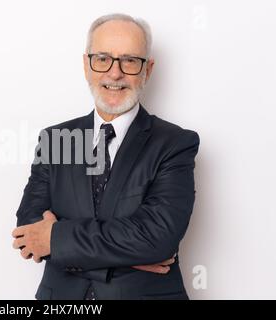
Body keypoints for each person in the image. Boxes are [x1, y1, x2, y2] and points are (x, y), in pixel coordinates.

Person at [12, 13, 200, 300]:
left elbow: (157, 237)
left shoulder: (175, 144)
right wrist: (126, 256)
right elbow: (29, 230)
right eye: (102, 58)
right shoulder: (56, 139)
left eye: (129, 60)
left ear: (147, 70)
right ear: (86, 66)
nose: (115, 73)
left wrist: (57, 239)